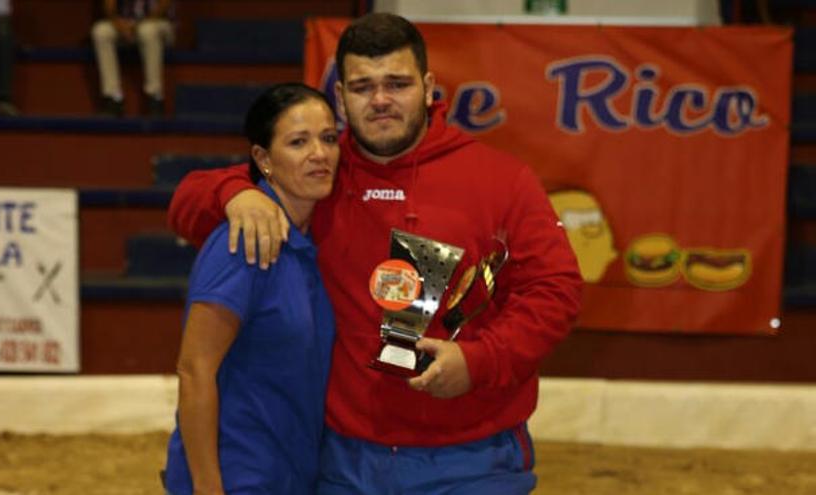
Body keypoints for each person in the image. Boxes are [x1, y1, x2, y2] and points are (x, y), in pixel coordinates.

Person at [168, 13, 583, 494]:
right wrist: (233, 193)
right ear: (341, 97)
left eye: (397, 83)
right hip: (343, 463)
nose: (381, 100)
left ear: (428, 87)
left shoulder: (503, 181)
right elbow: (186, 205)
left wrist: (481, 360)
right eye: (363, 87)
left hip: (472, 461)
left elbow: (557, 291)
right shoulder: (320, 173)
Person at [162, 83, 339, 495]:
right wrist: (208, 488)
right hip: (238, 478)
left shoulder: (311, 243)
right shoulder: (243, 243)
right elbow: (194, 370)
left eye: (328, 138)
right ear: (263, 158)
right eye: (299, 142)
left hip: (292, 475)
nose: (319, 153)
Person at [91, 0, 173, 117]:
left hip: (158, 22)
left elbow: (164, 6)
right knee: (101, 32)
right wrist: (119, 24)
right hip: (126, 23)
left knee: (147, 30)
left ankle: (155, 97)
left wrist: (137, 25)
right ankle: (113, 98)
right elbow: (109, 5)